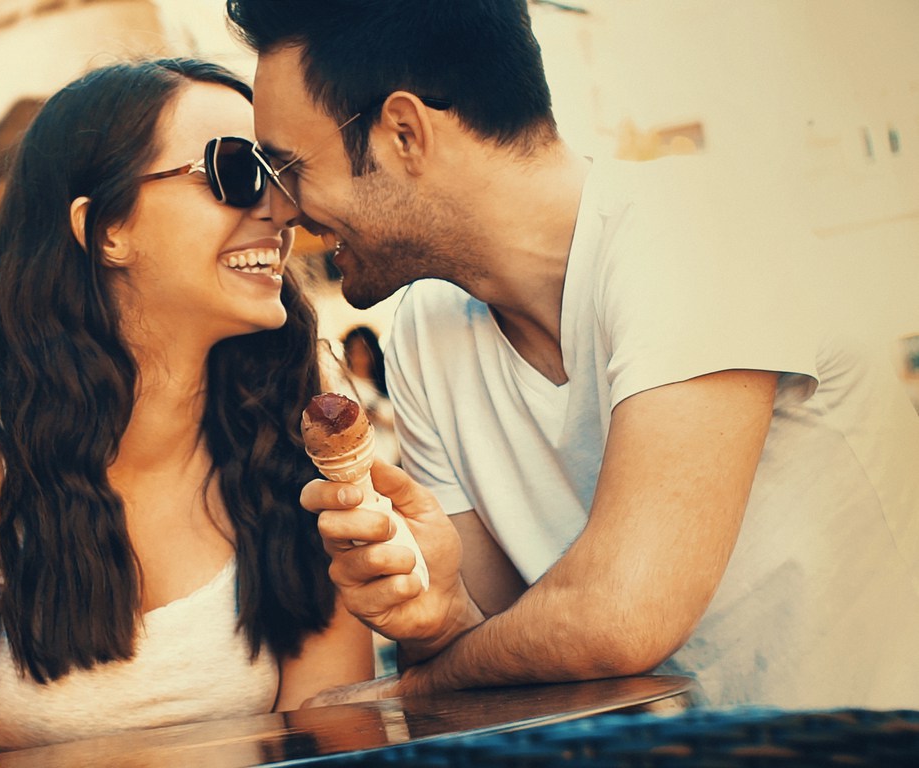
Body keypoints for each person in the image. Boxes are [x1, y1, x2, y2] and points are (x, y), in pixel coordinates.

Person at [225, 0, 919, 709]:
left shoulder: (691, 228)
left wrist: (416, 687)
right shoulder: (425, 337)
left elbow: (619, 615)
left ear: (405, 133)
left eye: (285, 170)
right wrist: (429, 614)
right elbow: (487, 640)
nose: (278, 213)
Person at [0, 58, 373, 767]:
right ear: (107, 227)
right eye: (236, 170)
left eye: (281, 174)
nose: (282, 208)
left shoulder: (296, 423)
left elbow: (333, 742)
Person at [340, 325, 398, 466]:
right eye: (354, 351)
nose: (360, 357)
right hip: (361, 460)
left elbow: (404, 420)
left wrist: (380, 417)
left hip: (394, 458)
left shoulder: (388, 383)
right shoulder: (341, 388)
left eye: (364, 351)